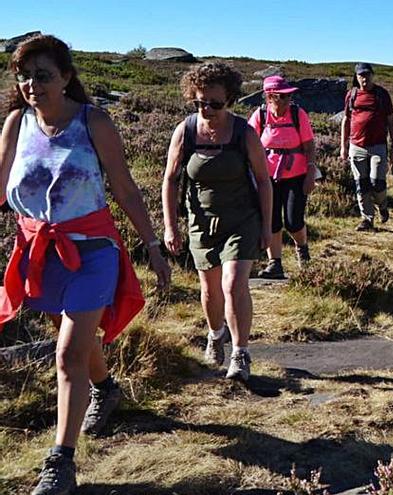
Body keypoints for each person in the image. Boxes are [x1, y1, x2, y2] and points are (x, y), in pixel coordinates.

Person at [0, 34, 171, 495]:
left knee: (67, 354)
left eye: (44, 75)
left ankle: (61, 462)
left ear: (67, 78)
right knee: (73, 342)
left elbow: (126, 189)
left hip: (93, 253)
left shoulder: (94, 122)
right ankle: (106, 388)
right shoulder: (17, 124)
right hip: (41, 254)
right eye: (26, 75)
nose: (33, 84)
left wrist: (153, 246)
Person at [161, 63, 272, 383]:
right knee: (210, 291)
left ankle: (241, 353)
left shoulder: (244, 133)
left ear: (231, 99)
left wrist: (266, 227)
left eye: (214, 103)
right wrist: (171, 226)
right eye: (199, 103)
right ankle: (215, 333)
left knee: (234, 283)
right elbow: (170, 180)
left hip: (241, 220)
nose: (206, 109)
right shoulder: (186, 131)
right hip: (201, 223)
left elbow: (264, 182)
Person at [248, 76, 318, 279]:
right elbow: (250, 143)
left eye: (289, 96)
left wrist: (311, 172)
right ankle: (275, 264)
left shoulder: (298, 114)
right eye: (282, 96)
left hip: (297, 175)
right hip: (266, 177)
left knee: (293, 220)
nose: (288, 100)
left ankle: (302, 250)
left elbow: (309, 146)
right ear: (269, 97)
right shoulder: (260, 115)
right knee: (271, 221)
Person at [340, 62, 393, 231]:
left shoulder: (382, 94)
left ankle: (382, 205)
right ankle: (367, 219)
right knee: (361, 184)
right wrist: (343, 146)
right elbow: (346, 120)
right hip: (356, 146)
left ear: (372, 75)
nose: (364, 78)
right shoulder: (351, 95)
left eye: (367, 74)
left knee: (377, 182)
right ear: (356, 77)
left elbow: (391, 122)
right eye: (361, 75)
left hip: (378, 146)